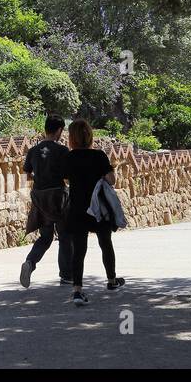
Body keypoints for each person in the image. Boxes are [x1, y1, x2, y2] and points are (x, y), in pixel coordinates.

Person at [61, 119, 124, 306]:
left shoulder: (69, 158)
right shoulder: (99, 156)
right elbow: (111, 180)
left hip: (77, 208)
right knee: (105, 243)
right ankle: (112, 281)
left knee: (79, 250)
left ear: (71, 138)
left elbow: (64, 178)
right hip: (98, 208)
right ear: (90, 136)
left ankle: (77, 291)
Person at [19, 114, 72, 288]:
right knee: (64, 235)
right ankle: (66, 275)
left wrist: (38, 177)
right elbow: (67, 175)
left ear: (45, 129)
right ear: (59, 130)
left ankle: (30, 262)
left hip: (40, 197)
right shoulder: (62, 151)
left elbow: (27, 174)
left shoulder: (33, 151)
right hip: (57, 197)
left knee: (46, 236)